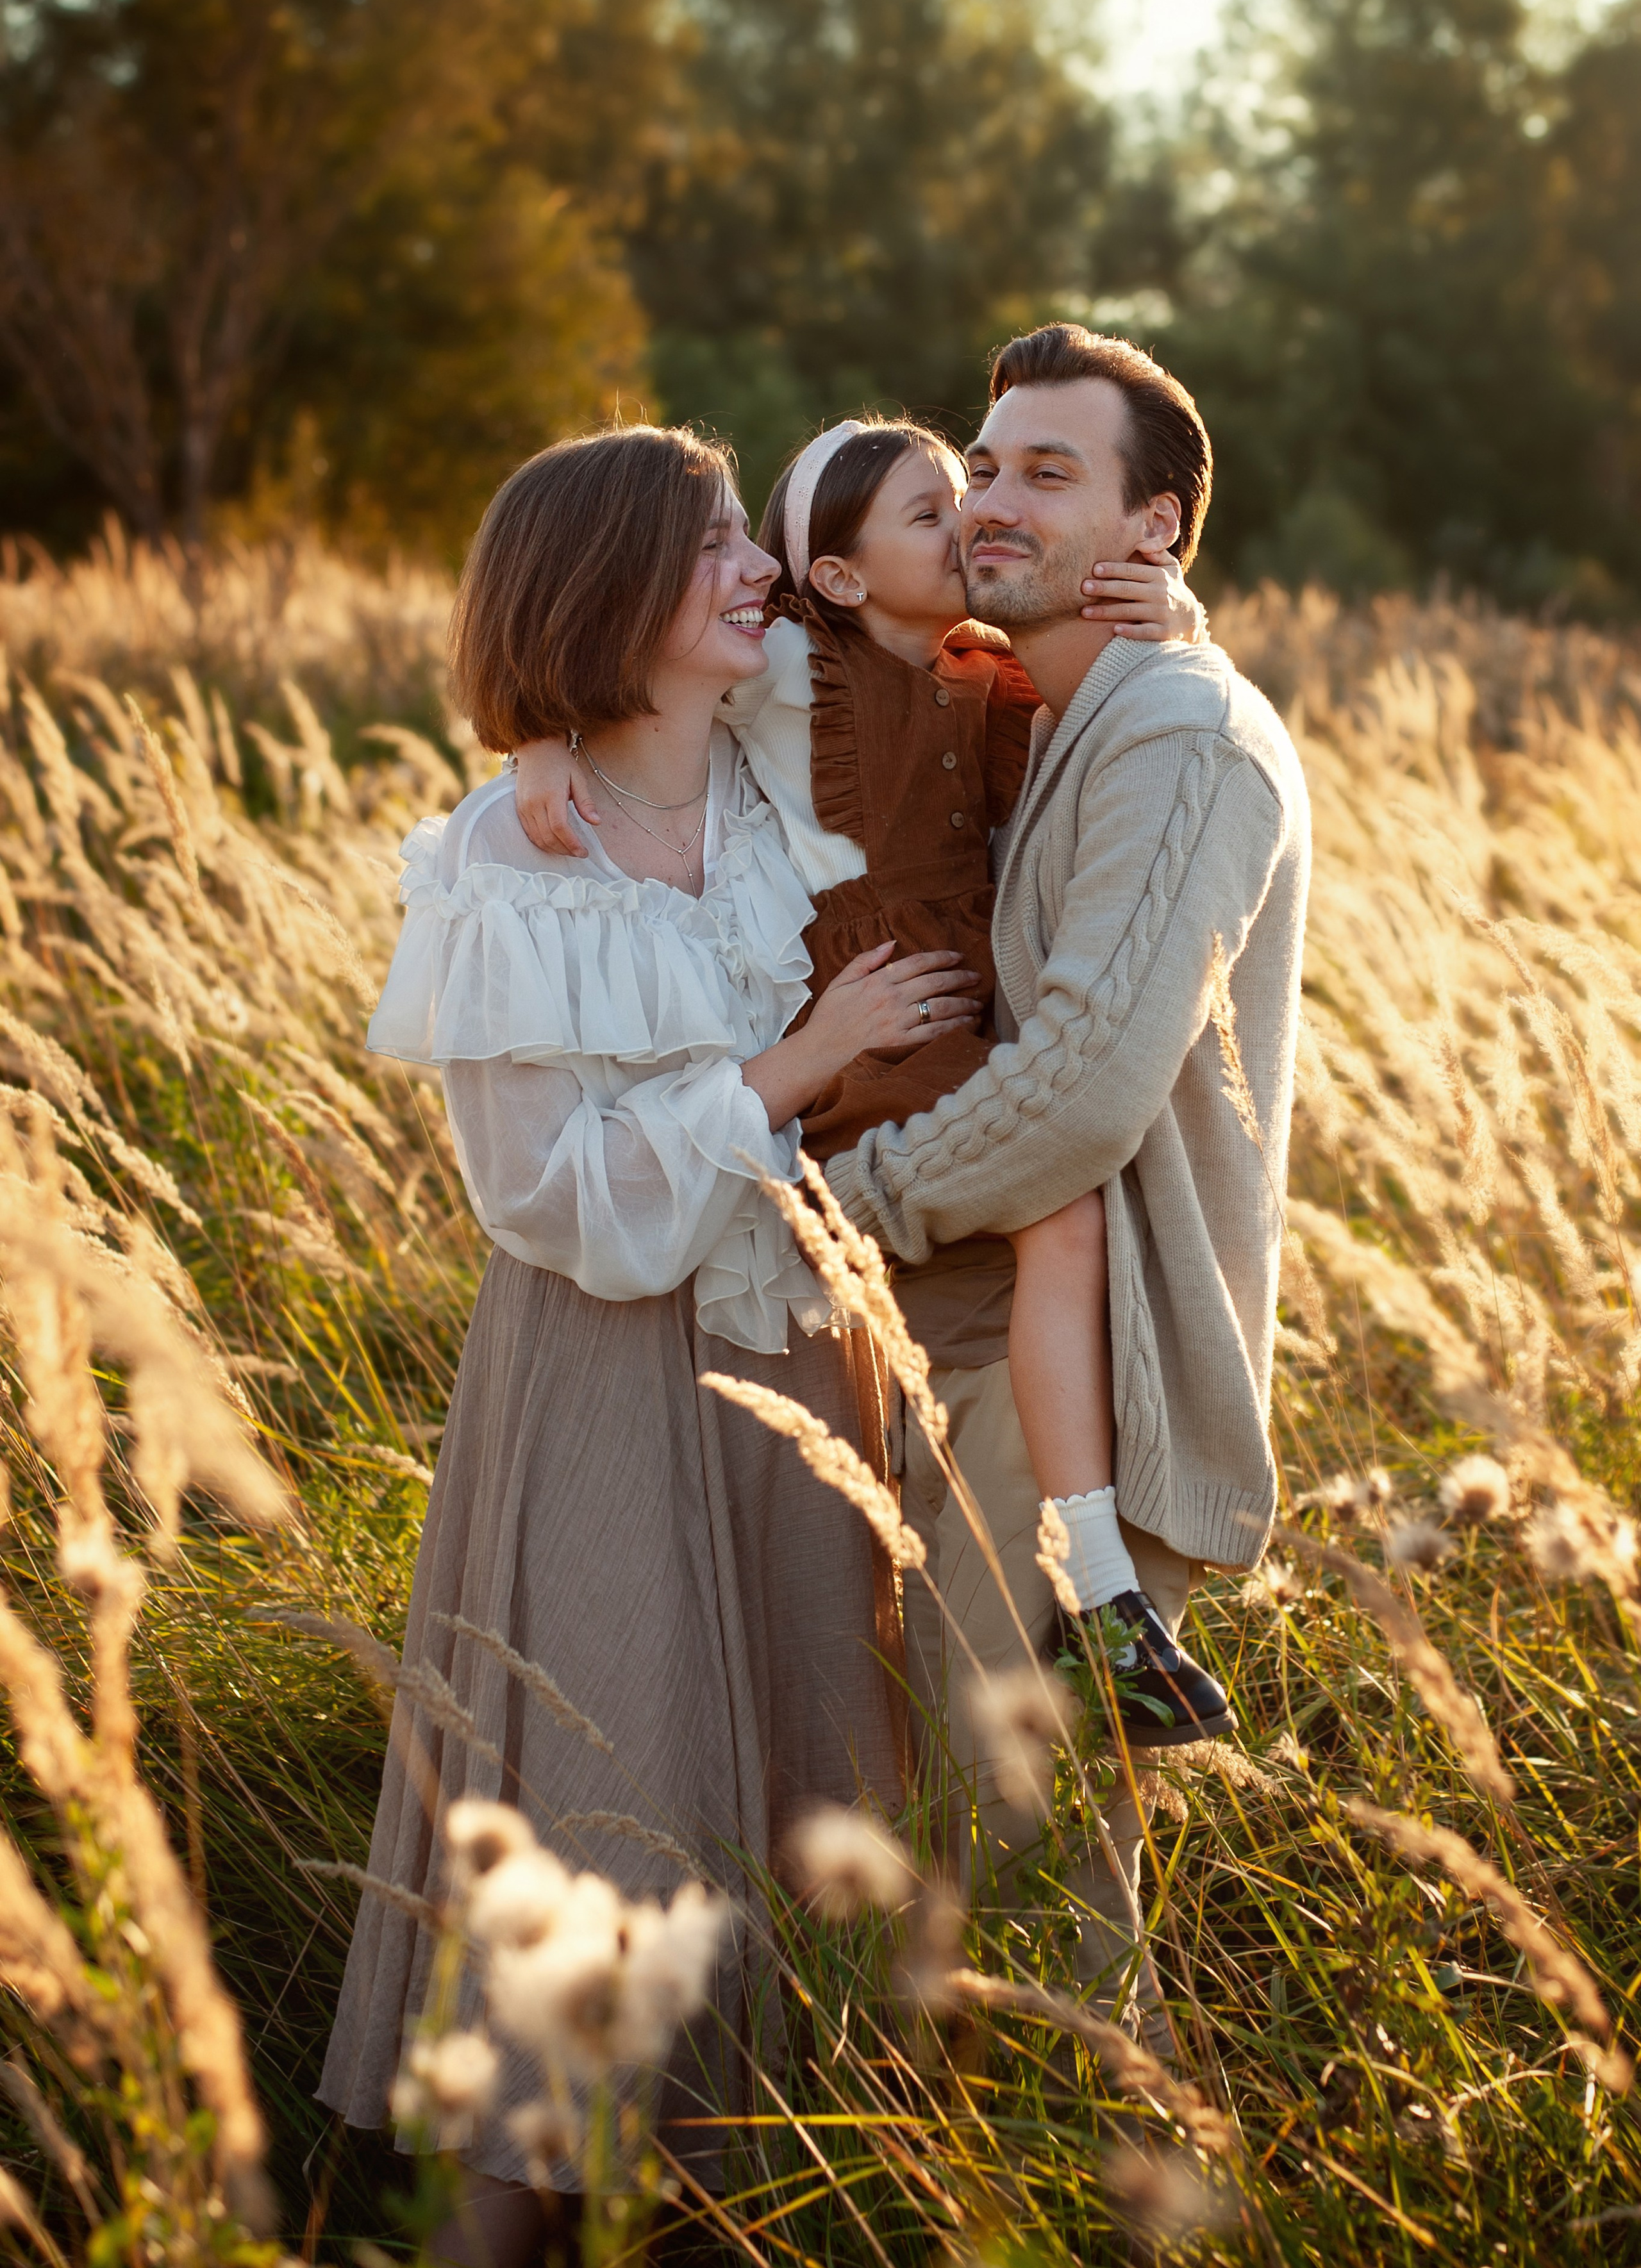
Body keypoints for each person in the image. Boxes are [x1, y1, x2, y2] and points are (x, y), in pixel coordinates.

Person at [317, 423, 970, 2268]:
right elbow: (552, 1198)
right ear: (609, 593)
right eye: (707, 549)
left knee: (829, 1794)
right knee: (614, 1818)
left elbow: (912, 590)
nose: (750, 566)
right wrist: (792, 1066)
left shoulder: (789, 772)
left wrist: (1144, 590)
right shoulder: (506, 865)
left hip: (819, 1356)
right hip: (611, 1372)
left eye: (743, 540)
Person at [512, 418, 1228, 1821]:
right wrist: (541, 745)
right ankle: (1096, 1591)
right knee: (1059, 1206)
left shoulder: (989, 674)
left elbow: (1125, 680)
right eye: (931, 512)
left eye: (965, 500)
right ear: (832, 580)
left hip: (951, 1015)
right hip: (875, 1025)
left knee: (1062, 1218)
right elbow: (626, 650)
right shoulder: (788, 670)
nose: (967, 525)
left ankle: (1094, 1590)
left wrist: (1181, 612)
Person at [822, 325, 1312, 2030]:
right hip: (1002, 1355)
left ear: (1156, 528)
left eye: (1051, 471)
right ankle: (1039, 2216)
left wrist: (846, 1203)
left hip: (1090, 1389)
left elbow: (1090, 1091)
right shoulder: (1055, 704)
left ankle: (1089, 2234)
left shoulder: (1180, 737)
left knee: (1011, 1886)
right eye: (988, 461)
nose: (992, 498)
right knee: (1012, 1881)